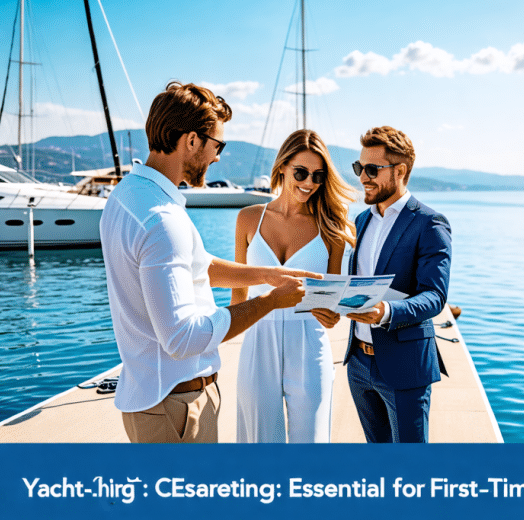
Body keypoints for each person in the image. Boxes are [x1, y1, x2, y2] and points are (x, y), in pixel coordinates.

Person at [100, 81, 318, 443]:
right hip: (176, 405)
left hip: (155, 396)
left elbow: (196, 266)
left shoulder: (126, 195)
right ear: (191, 140)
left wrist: (268, 274)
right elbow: (183, 338)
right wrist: (269, 302)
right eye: (218, 145)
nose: (218, 157)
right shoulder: (162, 220)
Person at [233, 129, 355, 443]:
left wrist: (333, 314)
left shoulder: (332, 227)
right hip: (259, 340)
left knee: (311, 448)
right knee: (259, 449)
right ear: (283, 167)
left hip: (309, 343)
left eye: (318, 175)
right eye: (301, 172)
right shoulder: (248, 219)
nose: (310, 183)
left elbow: (333, 299)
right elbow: (238, 297)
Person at [337, 125, 452, 443]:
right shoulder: (361, 221)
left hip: (404, 366)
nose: (362, 177)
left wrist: (386, 311)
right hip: (359, 363)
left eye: (372, 169)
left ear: (400, 170)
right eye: (359, 168)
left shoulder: (429, 223)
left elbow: (434, 296)